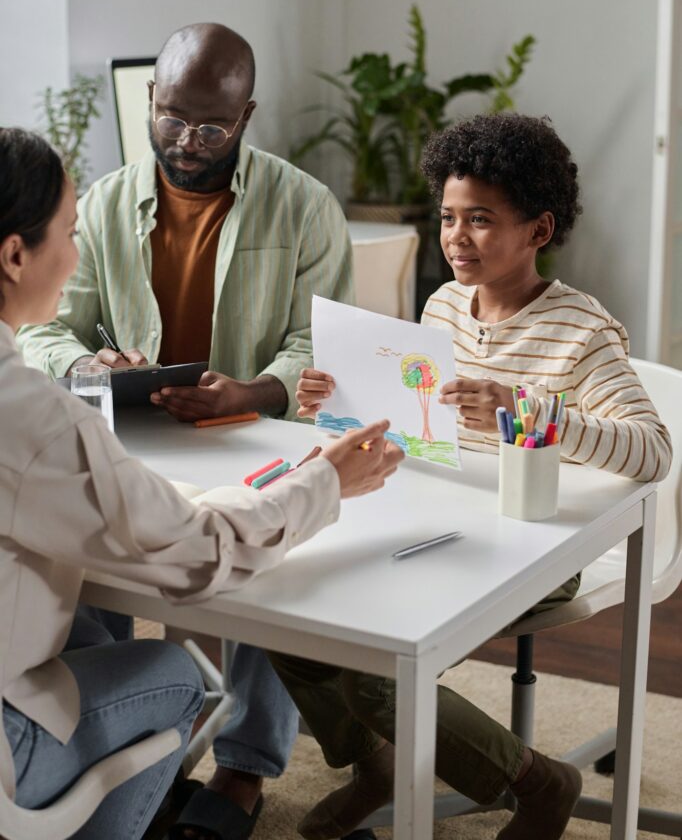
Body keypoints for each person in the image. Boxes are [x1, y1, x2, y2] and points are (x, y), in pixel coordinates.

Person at [271, 113, 673, 840]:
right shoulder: (443, 304)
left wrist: (524, 411)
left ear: (539, 231)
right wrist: (336, 406)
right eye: (449, 217)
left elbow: (652, 452)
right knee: (286, 616)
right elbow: (418, 425)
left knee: (377, 673)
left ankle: (536, 783)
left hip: (535, 542)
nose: (456, 237)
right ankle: (378, 764)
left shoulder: (582, 332)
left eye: (481, 220)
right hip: (435, 520)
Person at [0, 127, 403, 840]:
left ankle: (218, 777)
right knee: (177, 676)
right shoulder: (29, 416)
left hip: (201, 457)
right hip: (7, 743)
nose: (73, 257)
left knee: (89, 626)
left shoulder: (302, 206)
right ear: (13, 255)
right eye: (67, 233)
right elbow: (198, 557)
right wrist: (324, 483)